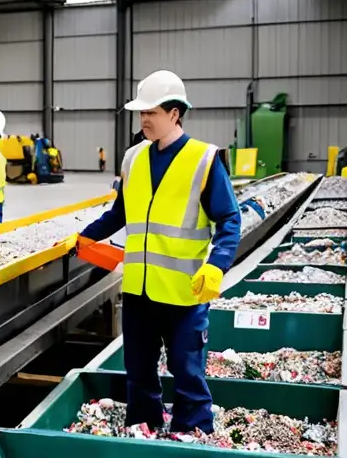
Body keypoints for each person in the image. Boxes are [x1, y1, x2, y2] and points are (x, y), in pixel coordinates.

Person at [74, 70, 241, 434]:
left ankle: (192, 433)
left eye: (152, 112)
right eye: (141, 112)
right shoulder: (133, 158)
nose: (144, 119)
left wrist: (217, 266)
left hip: (184, 292)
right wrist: (83, 237)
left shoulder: (204, 160)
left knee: (187, 371)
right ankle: (144, 429)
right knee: (139, 371)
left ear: (175, 113)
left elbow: (229, 220)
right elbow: (120, 213)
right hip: (139, 291)